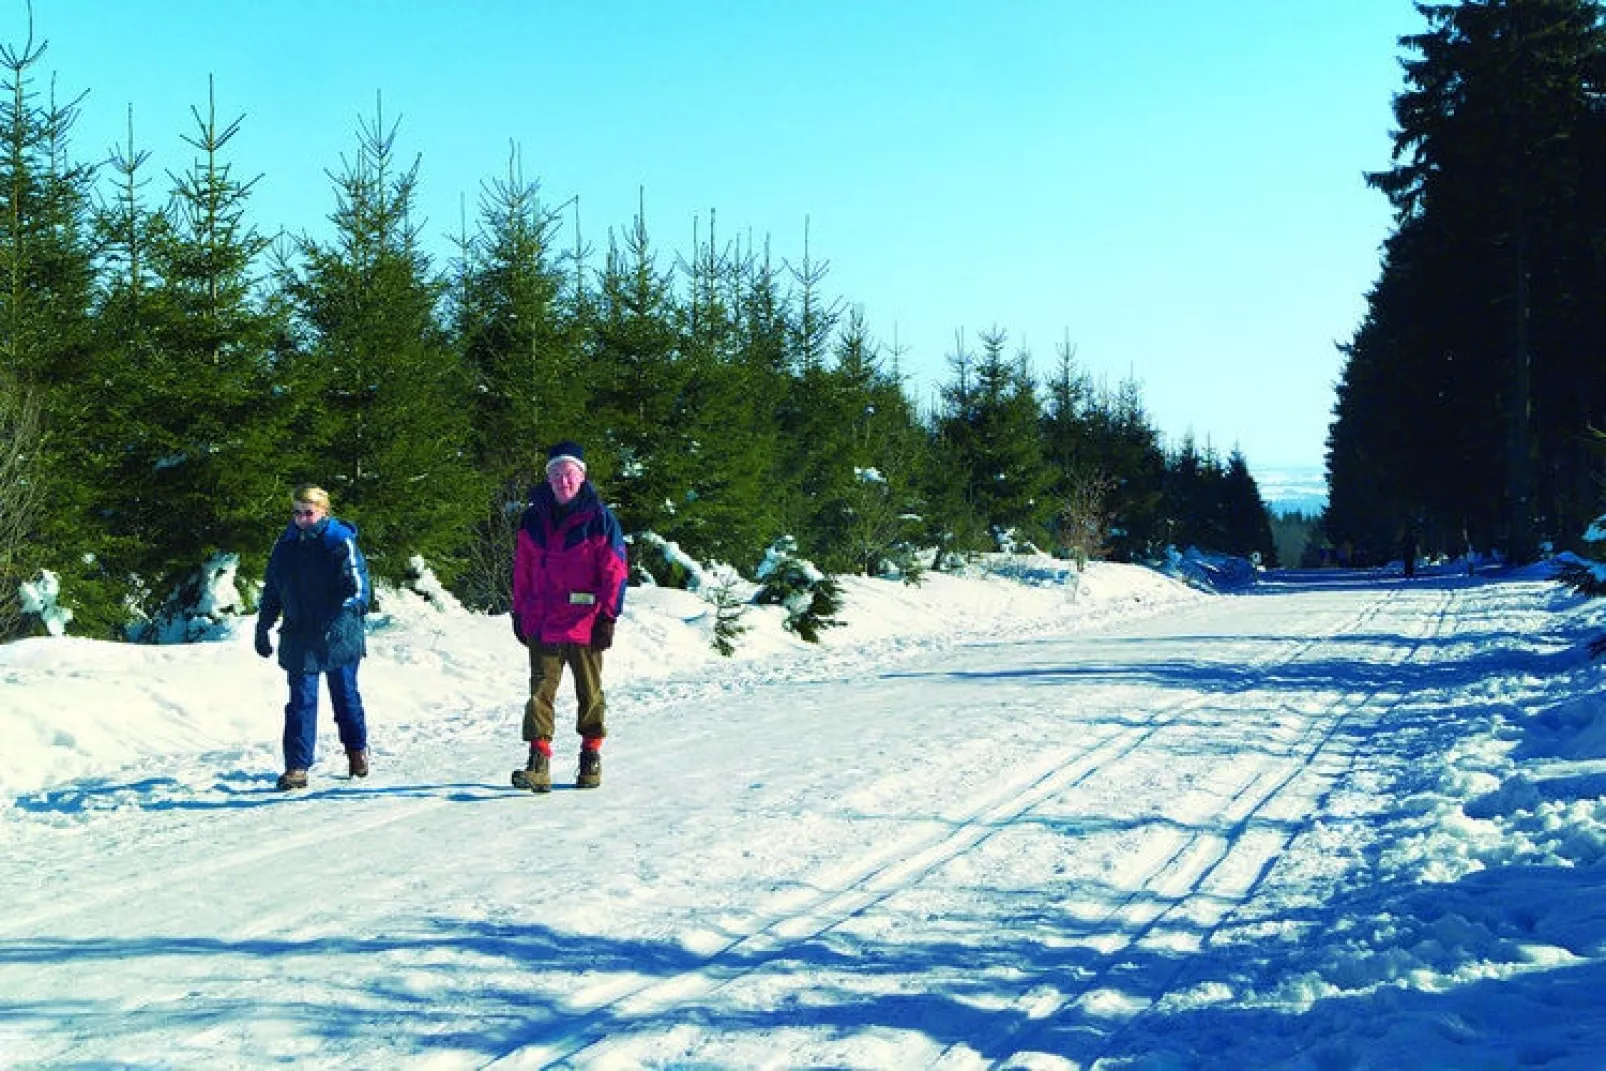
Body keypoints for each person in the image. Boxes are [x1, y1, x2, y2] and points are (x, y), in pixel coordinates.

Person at [510, 441, 629, 792]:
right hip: (543, 620)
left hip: (585, 622)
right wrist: (519, 610)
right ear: (548, 479)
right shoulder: (534, 517)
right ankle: (538, 762)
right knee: (539, 693)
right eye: (557, 475)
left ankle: (590, 756)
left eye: (570, 474)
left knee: (589, 693)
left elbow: (615, 570)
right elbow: (524, 568)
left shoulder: (600, 519)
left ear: (582, 477)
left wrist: (608, 617)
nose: (564, 481)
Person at [254, 484, 372, 791]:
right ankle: (297, 767)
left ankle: (356, 749)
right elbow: (273, 586)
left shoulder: (339, 540)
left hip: (338, 632)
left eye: (309, 513)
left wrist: (343, 617)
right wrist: (263, 625)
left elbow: (359, 589)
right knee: (301, 701)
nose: (302, 519)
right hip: (300, 632)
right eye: (297, 513)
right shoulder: (286, 544)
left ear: (323, 512)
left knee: (344, 695)